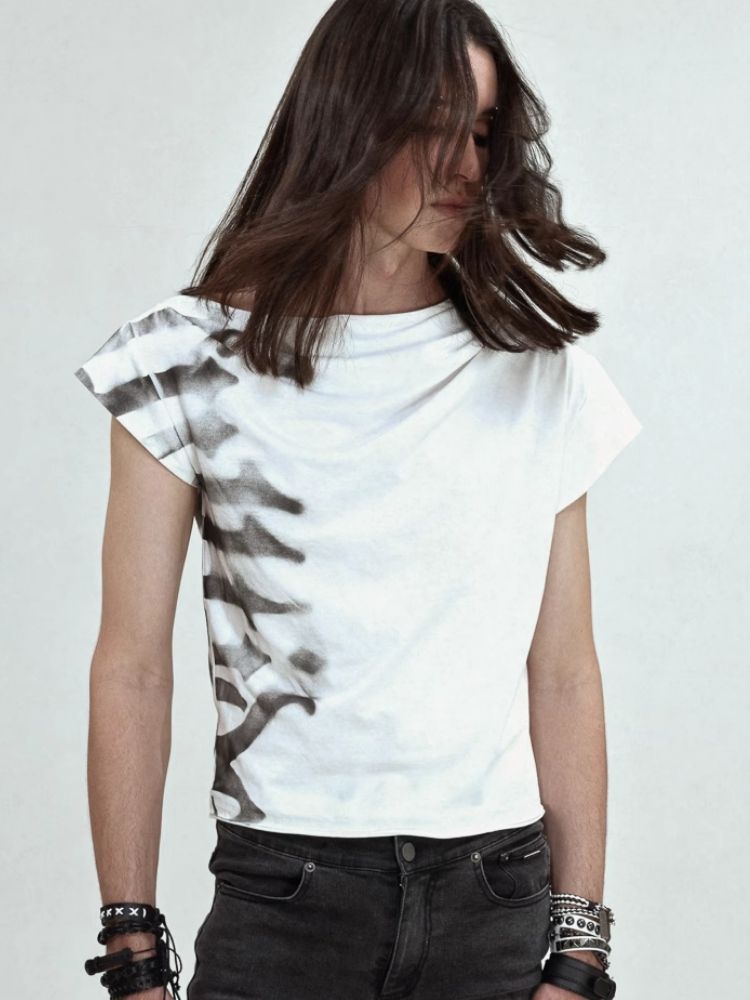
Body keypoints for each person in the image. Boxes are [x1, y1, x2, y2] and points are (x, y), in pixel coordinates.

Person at [74, 2, 642, 998]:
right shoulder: (180, 363)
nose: (466, 166)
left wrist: (581, 946)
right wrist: (132, 949)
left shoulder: (534, 371)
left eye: (482, 131)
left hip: (497, 897)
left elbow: (563, 672)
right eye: (433, 128)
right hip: (284, 897)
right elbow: (132, 667)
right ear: (346, 123)